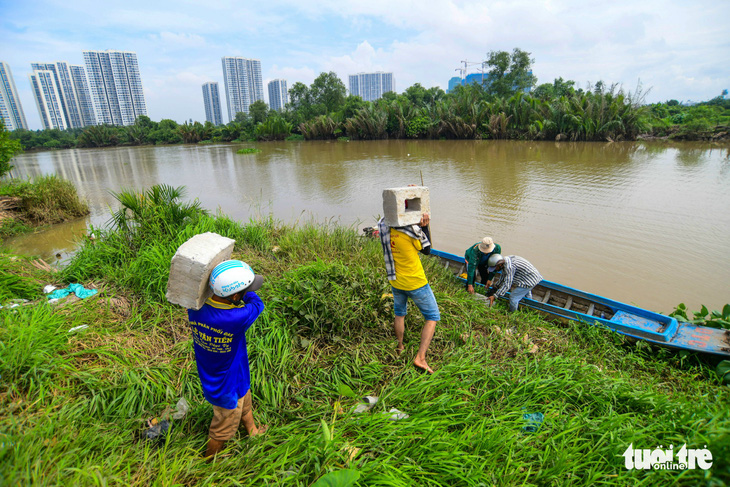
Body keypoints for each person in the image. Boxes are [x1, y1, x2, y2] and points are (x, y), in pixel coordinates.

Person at [187, 260, 268, 459]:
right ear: (234, 295)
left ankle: (253, 431)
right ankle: (208, 463)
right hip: (226, 386)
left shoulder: (194, 308)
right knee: (221, 429)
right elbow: (258, 303)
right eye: (245, 289)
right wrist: (246, 291)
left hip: (228, 372)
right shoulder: (235, 318)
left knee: (245, 399)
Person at [378, 211, 440, 374]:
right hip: (415, 282)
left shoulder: (385, 227)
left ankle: (400, 346)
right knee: (432, 316)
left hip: (396, 280)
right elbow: (427, 250)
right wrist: (424, 227)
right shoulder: (410, 232)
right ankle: (420, 357)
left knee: (400, 313)